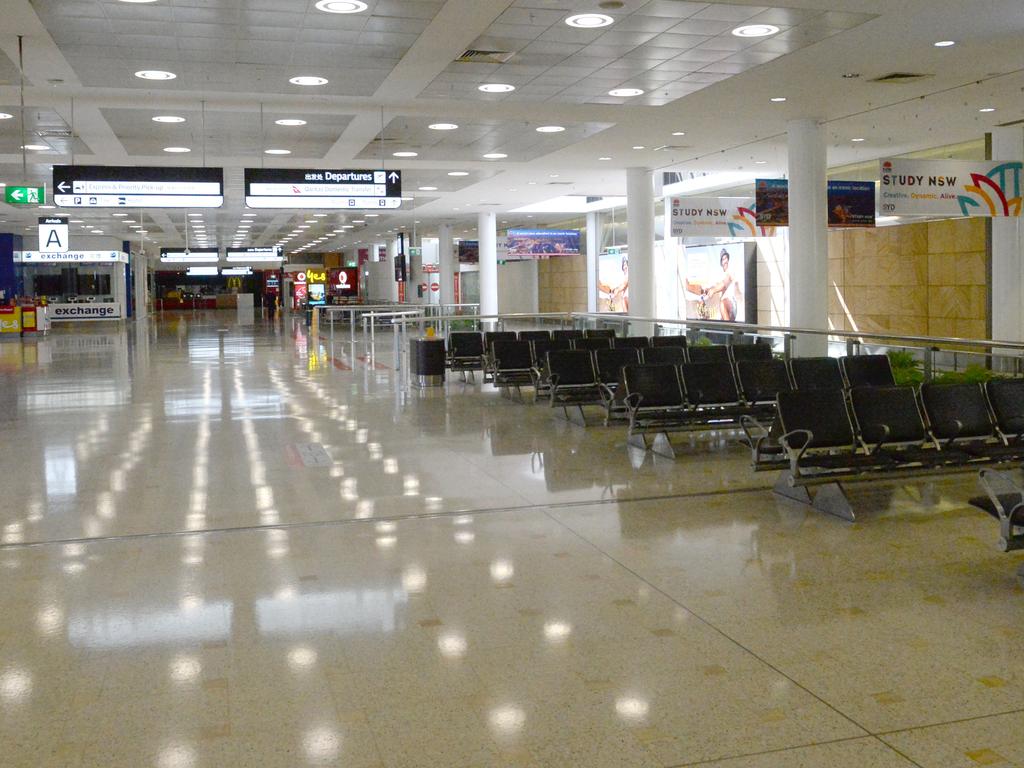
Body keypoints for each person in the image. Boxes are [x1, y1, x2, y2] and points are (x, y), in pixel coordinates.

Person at [703, 248, 742, 322]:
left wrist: (713, 290)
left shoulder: (730, 271)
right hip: (726, 306)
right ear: (721, 262)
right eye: (724, 259)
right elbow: (717, 286)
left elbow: (724, 284)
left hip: (730, 303)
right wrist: (708, 290)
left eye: (726, 258)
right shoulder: (721, 275)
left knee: (722, 303)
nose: (726, 261)